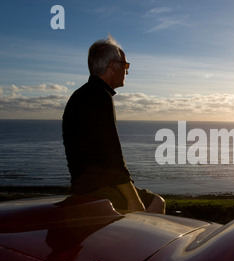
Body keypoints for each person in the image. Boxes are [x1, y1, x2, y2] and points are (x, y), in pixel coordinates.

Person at [62, 35, 165, 214]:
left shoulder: (80, 95)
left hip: (81, 187)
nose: (127, 72)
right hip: (99, 190)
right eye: (125, 66)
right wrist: (133, 200)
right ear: (112, 66)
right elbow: (112, 156)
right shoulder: (100, 97)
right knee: (156, 203)